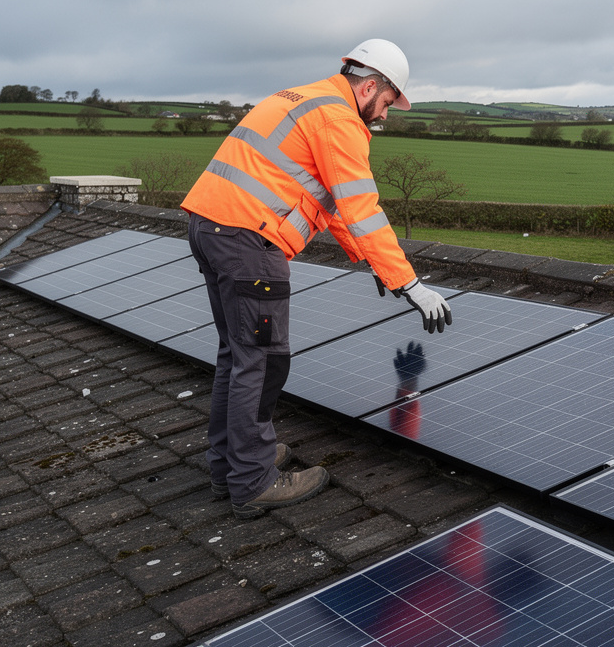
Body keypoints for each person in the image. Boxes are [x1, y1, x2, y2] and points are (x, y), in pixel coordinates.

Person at [181, 39, 453, 520]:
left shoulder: (304, 98)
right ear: (370, 86)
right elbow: (362, 209)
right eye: (387, 103)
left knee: (238, 355)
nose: (385, 115)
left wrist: (375, 264)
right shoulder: (339, 121)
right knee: (263, 361)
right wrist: (410, 284)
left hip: (211, 226)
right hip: (250, 242)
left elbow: (338, 210)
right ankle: (252, 479)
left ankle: (232, 462)